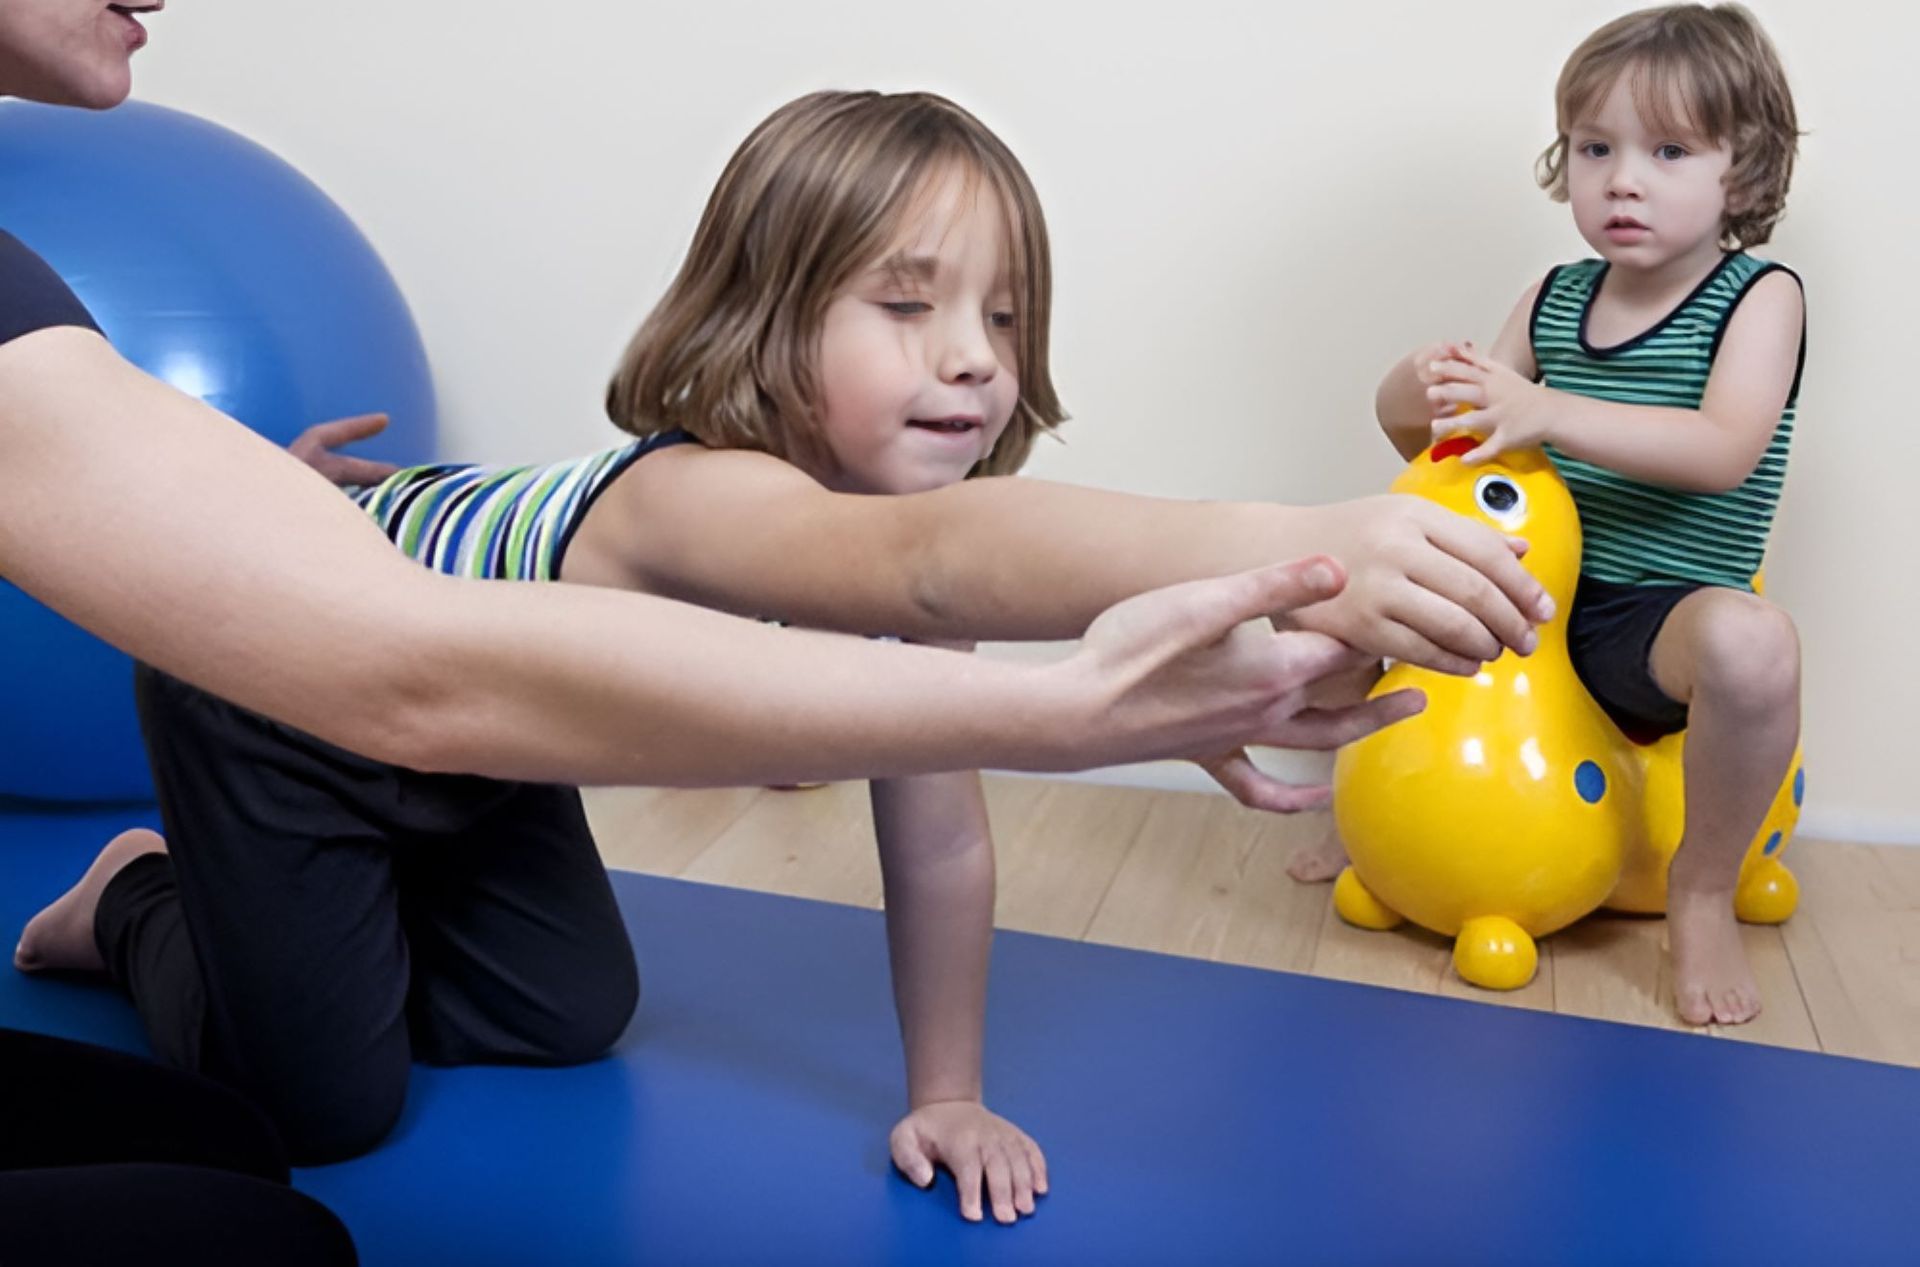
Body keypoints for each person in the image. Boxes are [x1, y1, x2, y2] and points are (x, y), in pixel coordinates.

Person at [1300, 3, 1804, 1028]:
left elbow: (1723, 451)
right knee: (1345, 581)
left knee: (1756, 648)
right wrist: (1412, 387)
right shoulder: (1551, 299)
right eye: (1596, 148)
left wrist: (1549, 407)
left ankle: (1701, 890)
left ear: (1740, 176)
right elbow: (1450, 445)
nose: (1624, 177)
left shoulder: (1758, 297)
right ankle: (1352, 812)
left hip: (1656, 619)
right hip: (1530, 593)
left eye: (1669, 150)